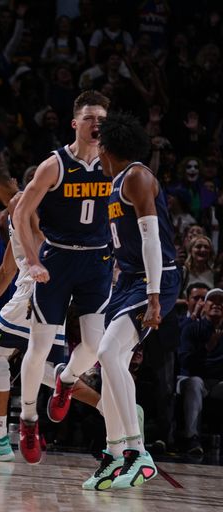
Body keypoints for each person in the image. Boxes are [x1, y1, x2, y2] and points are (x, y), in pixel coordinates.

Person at [0, 163, 102, 461]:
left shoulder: (19, 204)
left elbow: (42, 237)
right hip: (50, 292)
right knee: (45, 372)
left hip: (35, 291)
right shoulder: (19, 207)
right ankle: (109, 406)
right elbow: (8, 268)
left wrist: (48, 268)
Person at [80, 112, 180, 490]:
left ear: (106, 148)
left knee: (107, 353)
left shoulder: (137, 176)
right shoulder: (115, 182)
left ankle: (138, 454)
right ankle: (113, 454)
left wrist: (154, 297)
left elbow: (152, 240)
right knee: (111, 363)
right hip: (130, 282)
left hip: (156, 279)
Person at [12, 90, 112, 465]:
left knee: (92, 347)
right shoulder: (54, 164)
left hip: (97, 261)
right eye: (89, 118)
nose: (95, 124)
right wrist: (33, 261)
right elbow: (21, 213)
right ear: (75, 123)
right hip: (58, 259)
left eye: (101, 119)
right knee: (38, 349)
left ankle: (67, 380)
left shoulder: (112, 162)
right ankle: (28, 420)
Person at [177, 288, 223, 455]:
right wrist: (207, 348)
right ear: (204, 306)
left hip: (215, 381)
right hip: (189, 378)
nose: (217, 304)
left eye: (221, 302)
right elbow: (186, 362)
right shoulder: (192, 328)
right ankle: (192, 438)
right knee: (195, 382)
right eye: (212, 300)